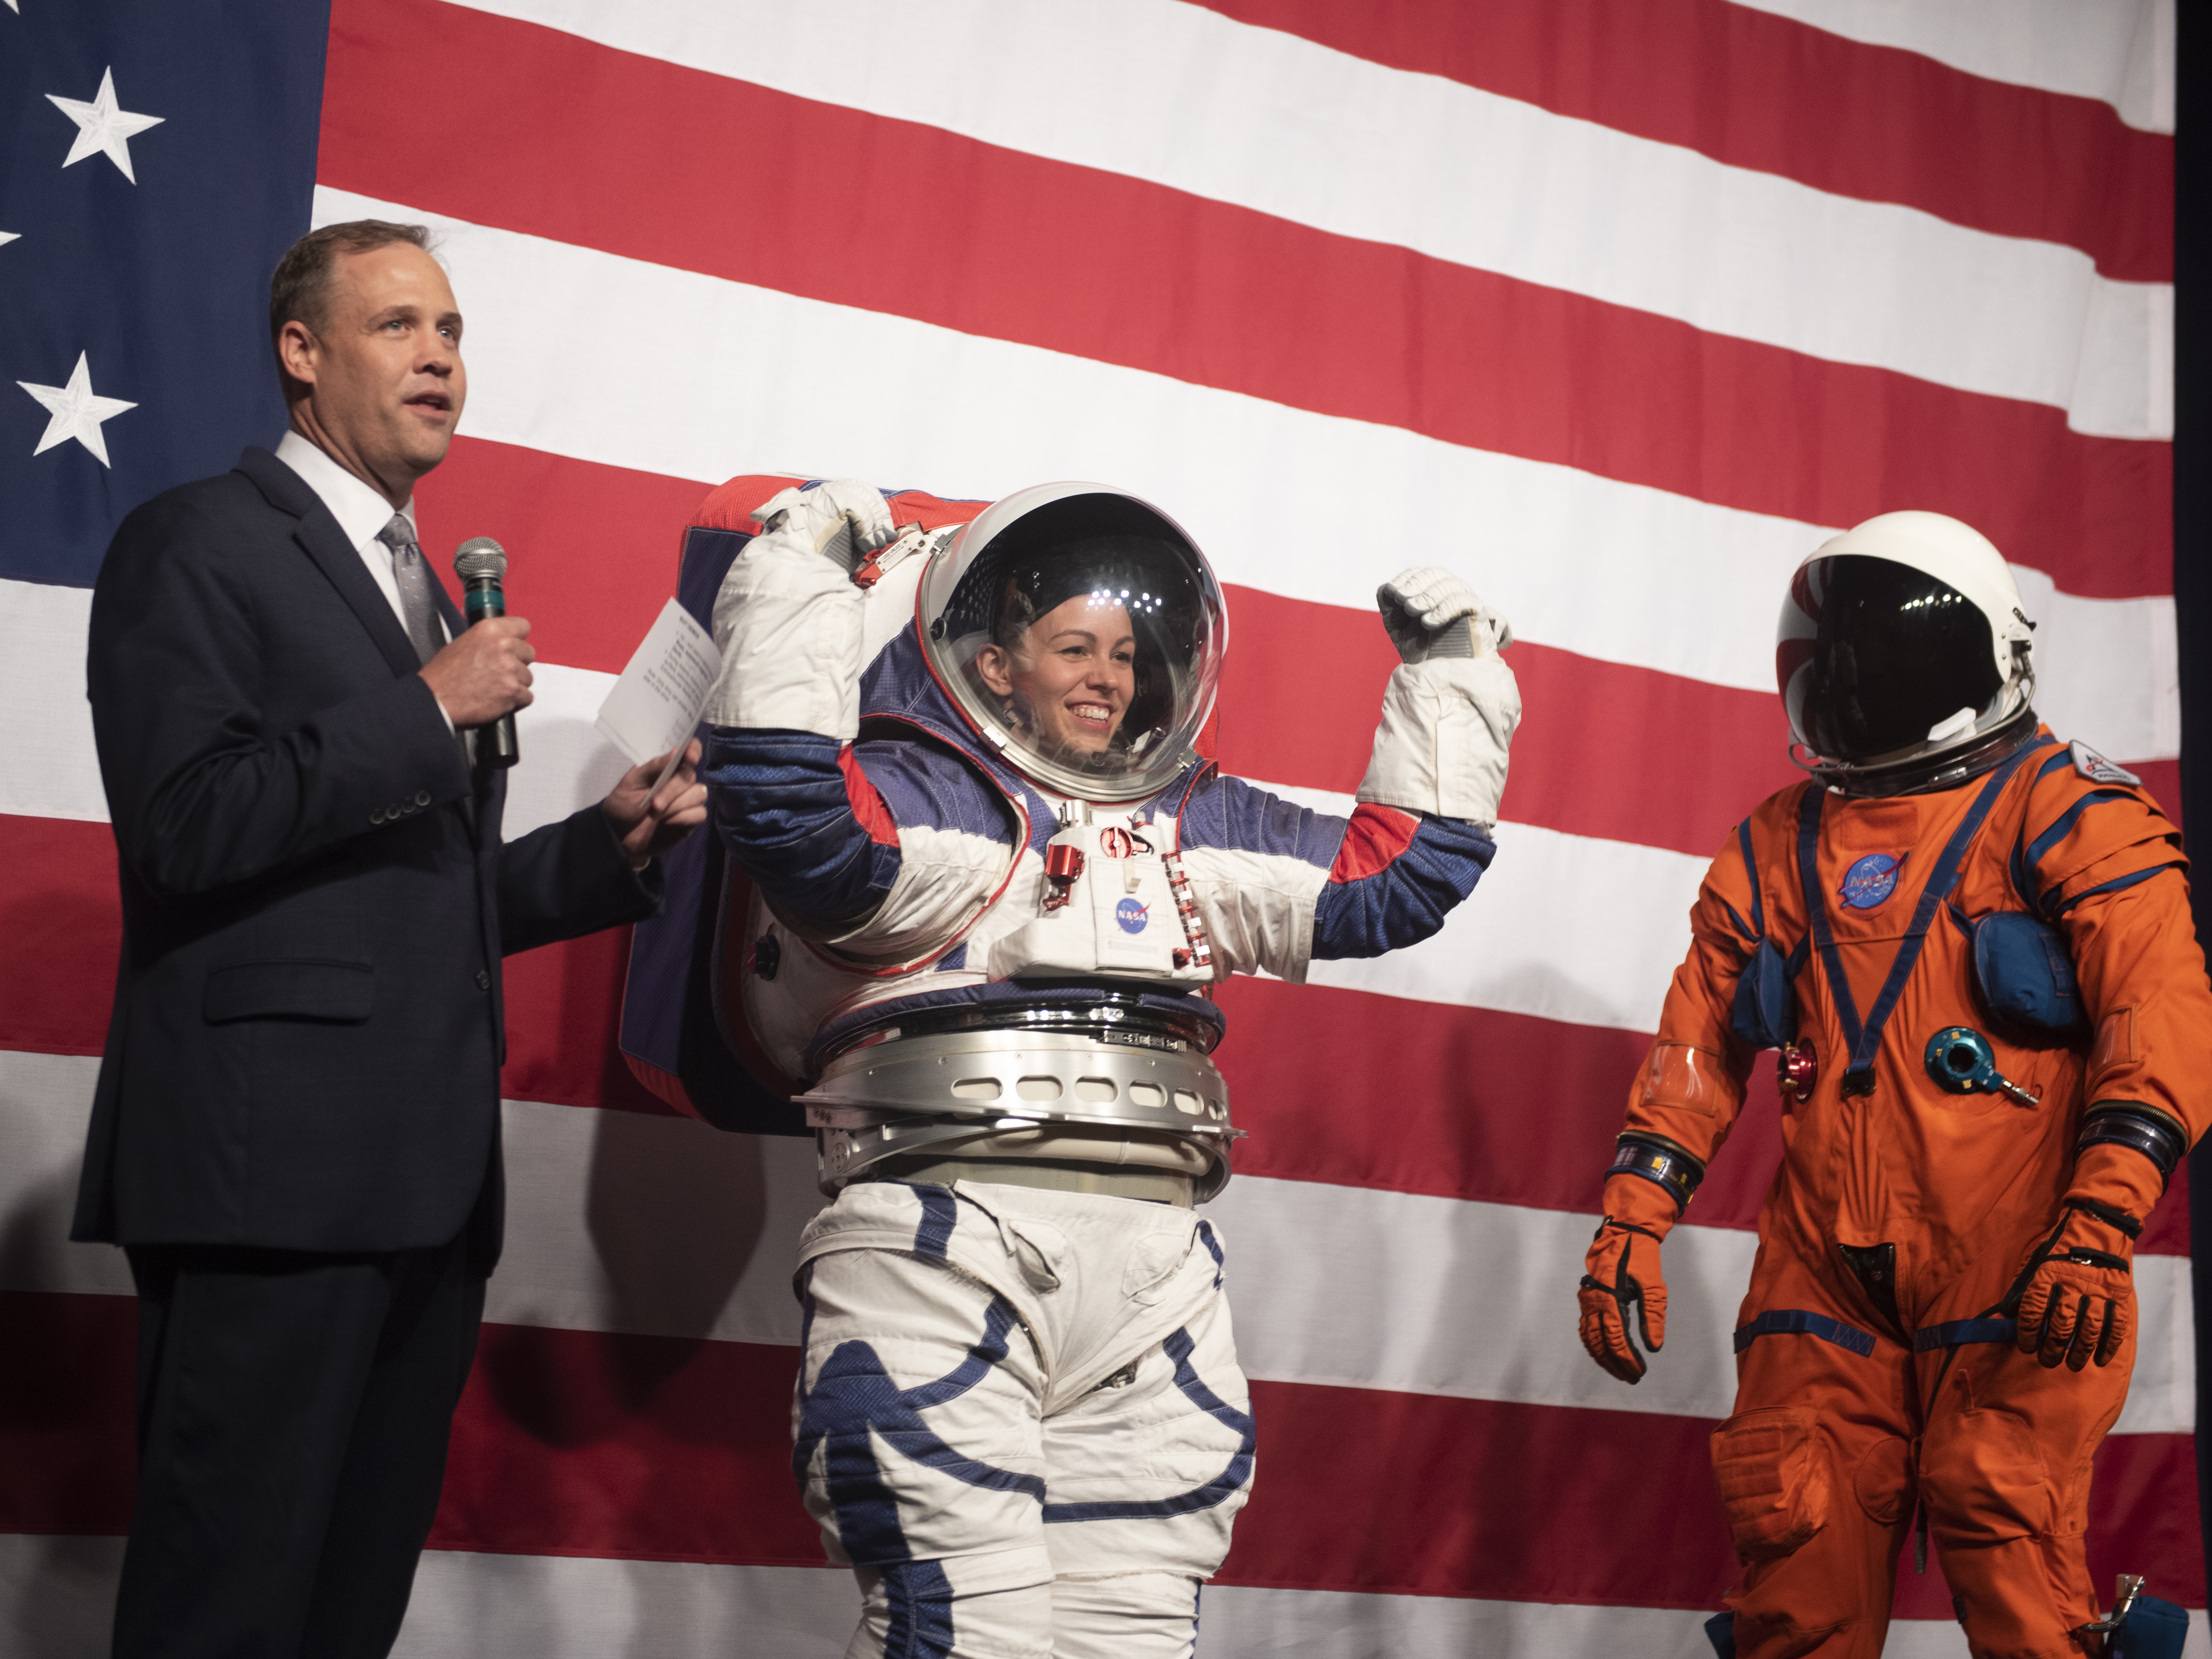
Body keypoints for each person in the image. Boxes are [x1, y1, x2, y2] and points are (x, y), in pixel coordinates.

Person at [699, 477, 1521, 1656]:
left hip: (1153, 1268)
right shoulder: (924, 796)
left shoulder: (1195, 824)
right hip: (947, 1240)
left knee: (1131, 1627)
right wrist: (797, 574)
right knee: (961, 1625)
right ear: (992, 663)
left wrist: (1454, 672)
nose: (1105, 676)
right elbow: (785, 808)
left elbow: (1392, 880)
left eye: (1128, 654)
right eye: (1071, 646)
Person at [71, 218, 706, 1659]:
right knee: (223, 1608)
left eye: (455, 331)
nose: (441, 357)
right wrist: (425, 706)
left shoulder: (424, 580)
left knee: (343, 1612)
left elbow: (426, 897)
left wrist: (605, 853)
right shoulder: (194, 541)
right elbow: (184, 825)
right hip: (268, 1179)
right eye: (400, 326)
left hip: (423, 1185)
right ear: (301, 354)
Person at [1574, 511, 2208, 1658]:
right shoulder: (1777, 844)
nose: (1860, 684)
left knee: (2006, 1527)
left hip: (2020, 1253)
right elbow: (1699, 1039)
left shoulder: (2066, 812)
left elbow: (2156, 1019)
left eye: (1888, 659)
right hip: (1825, 1269)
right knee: (1797, 1572)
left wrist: (2101, 1221)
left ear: (1995, 659)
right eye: (1843, 660)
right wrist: (1635, 1213)